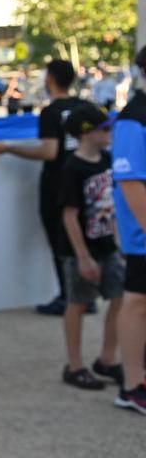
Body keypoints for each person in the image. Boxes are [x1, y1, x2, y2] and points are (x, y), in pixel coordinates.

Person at [0, 59, 95, 315]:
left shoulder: (51, 112)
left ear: (50, 79)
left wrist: (9, 148)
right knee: (82, 238)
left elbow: (49, 151)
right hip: (85, 182)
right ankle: (86, 295)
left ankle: (70, 296)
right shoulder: (85, 107)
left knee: (61, 241)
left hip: (58, 185)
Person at [56, 105, 125, 391]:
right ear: (87, 133)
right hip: (80, 250)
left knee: (121, 297)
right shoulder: (73, 168)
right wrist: (83, 256)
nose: (110, 133)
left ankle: (107, 359)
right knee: (78, 303)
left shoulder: (108, 160)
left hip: (108, 245)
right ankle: (75, 365)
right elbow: (69, 215)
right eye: (105, 128)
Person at [110, 45, 146, 414]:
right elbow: (131, 181)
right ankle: (133, 384)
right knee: (137, 303)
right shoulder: (133, 118)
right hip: (141, 239)